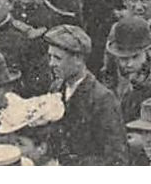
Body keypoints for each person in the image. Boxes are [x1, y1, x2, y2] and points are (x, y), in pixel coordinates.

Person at [43, 23, 126, 164]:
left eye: (57, 58)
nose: (51, 63)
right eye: (50, 57)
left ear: (78, 59)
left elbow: (117, 158)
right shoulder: (56, 88)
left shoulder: (102, 99)